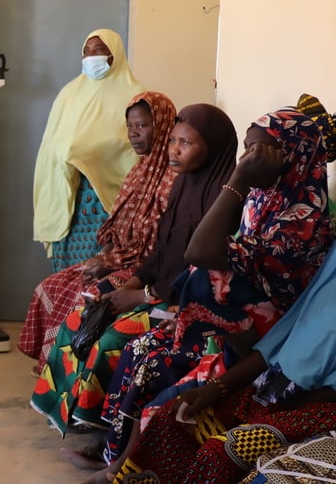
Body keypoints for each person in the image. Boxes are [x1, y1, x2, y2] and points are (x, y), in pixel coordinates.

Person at [99, 108, 334, 477]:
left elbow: (199, 254)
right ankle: (114, 461)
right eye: (245, 151)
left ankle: (118, 464)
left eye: (255, 153)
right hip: (245, 344)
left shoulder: (300, 225)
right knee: (151, 377)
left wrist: (239, 179)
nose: (245, 160)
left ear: (291, 157)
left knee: (166, 395)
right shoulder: (264, 202)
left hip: (255, 349)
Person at [30, 103, 238, 466]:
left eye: (186, 143)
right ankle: (69, 414)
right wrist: (132, 284)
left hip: (188, 304)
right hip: (156, 290)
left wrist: (141, 296)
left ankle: (106, 440)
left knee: (114, 339)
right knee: (85, 314)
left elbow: (199, 272)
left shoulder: (225, 201)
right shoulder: (182, 186)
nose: (174, 150)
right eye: (172, 140)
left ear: (214, 148)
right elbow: (161, 250)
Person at [114, 237, 336, 484]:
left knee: (221, 452)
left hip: (318, 406)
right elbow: (278, 341)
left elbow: (201, 250)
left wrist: (271, 409)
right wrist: (218, 388)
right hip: (275, 387)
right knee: (173, 418)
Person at [20, 91, 178, 373]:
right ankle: (52, 364)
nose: (134, 134)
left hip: (143, 270)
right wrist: (101, 258)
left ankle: (66, 371)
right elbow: (118, 229)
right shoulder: (138, 172)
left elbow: (160, 249)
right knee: (51, 286)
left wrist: (109, 265)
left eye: (142, 125)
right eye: (130, 127)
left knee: (87, 298)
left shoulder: (174, 180)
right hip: (119, 259)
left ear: (163, 125)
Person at [33, 29, 146, 272]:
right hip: (68, 196)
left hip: (106, 201)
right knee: (68, 273)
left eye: (99, 50)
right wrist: (65, 154)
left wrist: (86, 152)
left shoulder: (135, 94)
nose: (91, 56)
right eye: (86, 51)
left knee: (101, 274)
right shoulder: (69, 93)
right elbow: (51, 142)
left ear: (114, 55)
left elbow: (134, 144)